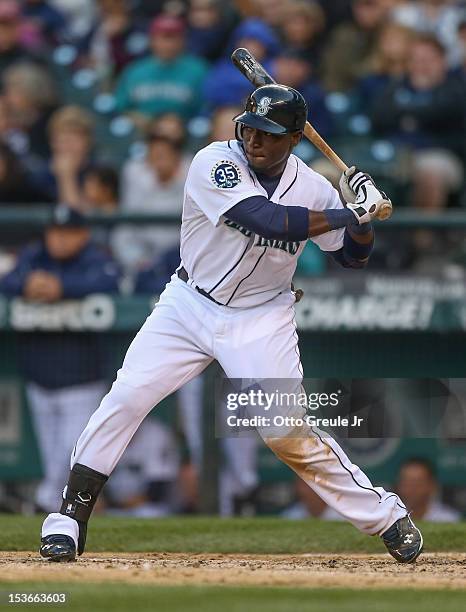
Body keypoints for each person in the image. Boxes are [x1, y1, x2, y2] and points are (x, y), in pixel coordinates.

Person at [39, 85, 423, 564]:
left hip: (262, 316)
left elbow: (351, 257)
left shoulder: (315, 187)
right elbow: (263, 220)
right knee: (127, 396)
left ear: (295, 140)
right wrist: (352, 210)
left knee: (285, 432)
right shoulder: (213, 162)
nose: (255, 141)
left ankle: (386, 517)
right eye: (250, 129)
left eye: (269, 134)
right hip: (188, 304)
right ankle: (67, 521)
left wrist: (362, 219)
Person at [0, 205, 120, 512]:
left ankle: (43, 503)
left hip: (82, 380)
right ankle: (54, 510)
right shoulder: (35, 256)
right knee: (53, 452)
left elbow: (110, 282)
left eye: (68, 233)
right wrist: (27, 285)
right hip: (40, 378)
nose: (59, 239)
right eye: (55, 231)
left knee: (70, 452)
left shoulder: (96, 258)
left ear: (83, 234)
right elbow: (8, 280)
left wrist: (63, 288)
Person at [370, 34, 465, 211]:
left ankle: (422, 237)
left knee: (430, 172)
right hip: (396, 153)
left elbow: (447, 113)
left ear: (443, 61)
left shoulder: (456, 88)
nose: (422, 65)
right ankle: (364, 236)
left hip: (440, 154)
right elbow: (378, 117)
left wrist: (408, 113)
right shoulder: (397, 86)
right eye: (417, 60)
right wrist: (419, 113)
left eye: (429, 59)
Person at [114, 15, 207, 127]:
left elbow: (205, 111)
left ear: (183, 40)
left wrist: (181, 121)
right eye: (162, 38)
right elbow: (120, 108)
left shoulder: (199, 70)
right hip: (142, 133)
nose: (167, 44)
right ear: (151, 40)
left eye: (172, 38)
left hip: (183, 134)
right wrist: (135, 117)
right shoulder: (135, 70)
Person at [396, 458, 461, 522]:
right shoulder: (392, 518)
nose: (411, 489)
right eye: (406, 483)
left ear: (432, 485)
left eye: (417, 483)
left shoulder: (449, 519)